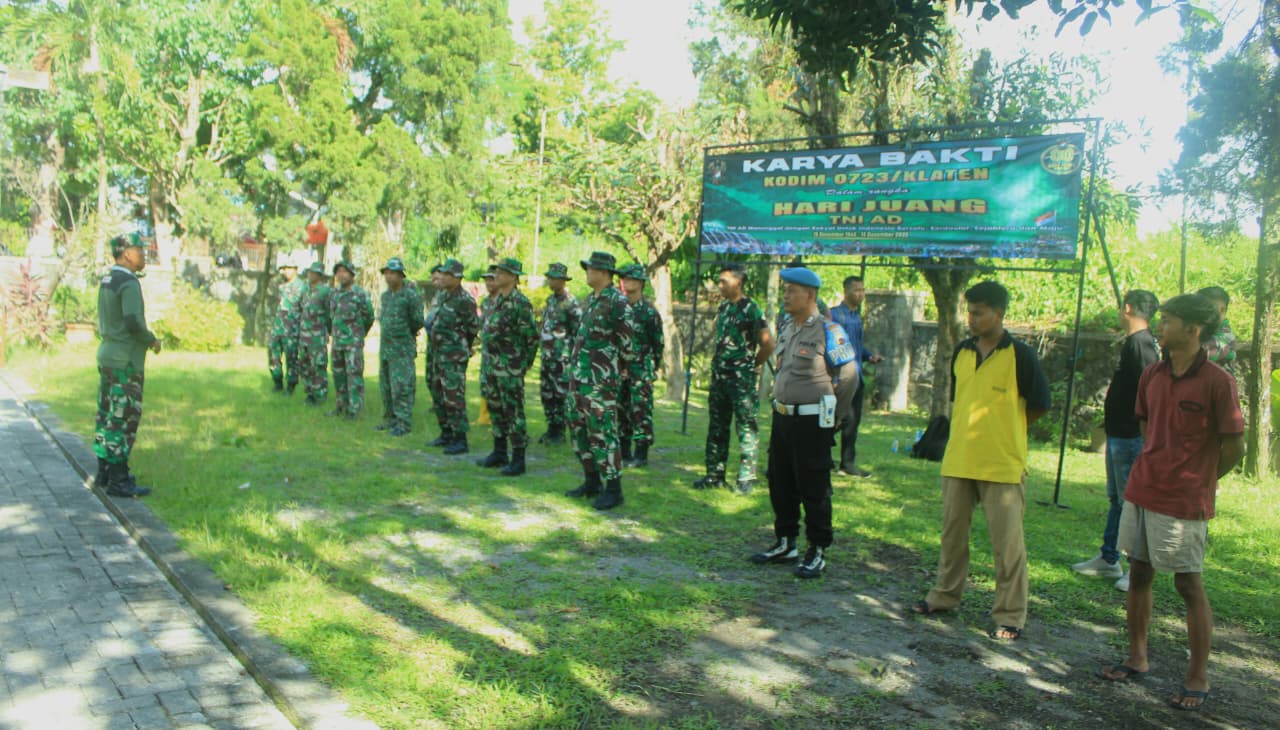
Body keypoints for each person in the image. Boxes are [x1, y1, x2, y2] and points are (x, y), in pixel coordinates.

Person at [1098, 294, 1244, 713]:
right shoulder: (1153, 375)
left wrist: (1200, 480)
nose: (1159, 327)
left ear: (1192, 331)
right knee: (1139, 572)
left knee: (1187, 583)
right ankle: (1137, 657)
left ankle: (1198, 676)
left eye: (1167, 321)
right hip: (1143, 490)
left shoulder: (1219, 382)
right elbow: (1146, 424)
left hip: (1184, 499)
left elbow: (1235, 446)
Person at [911, 281, 1051, 642]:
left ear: (999, 314)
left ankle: (1010, 615)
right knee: (952, 536)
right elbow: (962, 402)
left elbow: (1038, 406)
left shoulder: (1021, 355)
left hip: (1002, 464)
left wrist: (1004, 431)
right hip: (959, 460)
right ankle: (944, 596)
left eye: (978, 313)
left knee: (1008, 545)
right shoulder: (961, 352)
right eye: (968, 311)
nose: (970, 319)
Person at [750, 267, 858, 578]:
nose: (785, 295)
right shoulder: (787, 327)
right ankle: (786, 542)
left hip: (812, 421)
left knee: (813, 485)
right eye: (784, 289)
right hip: (783, 417)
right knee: (779, 480)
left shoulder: (829, 330)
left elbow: (849, 376)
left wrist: (835, 417)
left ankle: (817, 548)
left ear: (809, 295)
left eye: (791, 290)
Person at [1072, 290, 1160, 591]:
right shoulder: (1135, 343)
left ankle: (1136, 568)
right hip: (1119, 433)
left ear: (1127, 308)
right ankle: (1109, 558)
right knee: (1117, 499)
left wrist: (1143, 429)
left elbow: (1152, 389)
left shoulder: (1142, 344)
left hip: (1131, 435)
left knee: (1130, 501)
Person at [694, 263, 774, 494]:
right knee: (717, 427)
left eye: (724, 281)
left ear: (738, 283)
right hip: (720, 377)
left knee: (746, 426)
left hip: (741, 381)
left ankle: (746, 478)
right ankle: (714, 475)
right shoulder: (724, 308)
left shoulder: (751, 309)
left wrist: (751, 366)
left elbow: (768, 343)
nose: (719, 285)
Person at [564, 251, 635, 510]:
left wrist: (617, 370)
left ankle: (614, 489)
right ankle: (591, 480)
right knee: (579, 428)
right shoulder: (590, 300)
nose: (587, 272)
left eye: (591, 268)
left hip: (600, 381)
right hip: (580, 379)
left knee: (603, 432)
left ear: (604, 272)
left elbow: (628, 343)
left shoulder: (617, 302)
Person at [93, 234, 162, 498]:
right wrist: (152, 340)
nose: (143, 255)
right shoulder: (129, 283)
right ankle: (119, 480)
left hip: (107, 355)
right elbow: (133, 322)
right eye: (139, 250)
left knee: (106, 413)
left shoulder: (108, 279)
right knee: (123, 419)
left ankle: (104, 471)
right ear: (126, 254)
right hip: (125, 360)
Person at [476, 258, 538, 476]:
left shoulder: (520, 303)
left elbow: (531, 338)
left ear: (513, 276)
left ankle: (518, 458)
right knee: (496, 409)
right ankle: (499, 451)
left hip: (509, 368)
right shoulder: (493, 301)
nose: (497, 276)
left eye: (502, 273)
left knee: (513, 412)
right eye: (496, 272)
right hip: (491, 367)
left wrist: (523, 365)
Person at [828, 275, 883, 477]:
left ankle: (847, 463)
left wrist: (870, 356)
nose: (860, 294)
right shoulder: (834, 316)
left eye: (862, 290)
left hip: (857, 376)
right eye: (856, 290)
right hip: (839, 379)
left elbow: (856, 347)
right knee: (834, 419)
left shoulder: (856, 317)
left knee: (852, 421)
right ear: (846, 291)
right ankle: (822, 457)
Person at [427, 258, 480, 454]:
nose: (442, 277)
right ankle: (446, 433)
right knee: (438, 393)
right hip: (438, 354)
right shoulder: (442, 296)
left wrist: (462, 346)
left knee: (453, 397)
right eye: (442, 273)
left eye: (447, 274)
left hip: (454, 357)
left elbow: (472, 327)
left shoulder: (465, 300)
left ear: (457, 278)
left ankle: (460, 439)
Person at [618, 263, 664, 468]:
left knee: (640, 410)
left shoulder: (648, 312)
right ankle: (624, 450)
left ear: (640, 283)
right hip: (620, 367)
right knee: (621, 409)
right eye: (624, 279)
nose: (626, 282)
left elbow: (658, 343)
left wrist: (654, 367)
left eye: (630, 279)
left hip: (641, 367)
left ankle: (641, 453)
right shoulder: (619, 307)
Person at [377, 257, 424, 436]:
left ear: (401, 275)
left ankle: (403, 422)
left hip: (402, 349)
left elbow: (418, 320)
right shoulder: (385, 296)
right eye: (387, 273)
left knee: (402, 386)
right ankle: (390, 419)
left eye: (392, 273)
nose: (389, 277)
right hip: (386, 349)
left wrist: (405, 333)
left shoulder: (410, 295)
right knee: (386, 386)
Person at [537, 262, 582, 445]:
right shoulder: (551, 300)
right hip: (548, 357)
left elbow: (578, 332)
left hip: (562, 359)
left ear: (563, 280)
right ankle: (551, 429)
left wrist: (573, 357)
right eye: (549, 277)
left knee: (561, 395)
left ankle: (560, 432)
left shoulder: (571, 303)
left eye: (554, 278)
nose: (550, 281)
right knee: (547, 394)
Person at [329, 261, 375, 420]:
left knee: (353, 375)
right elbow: (332, 315)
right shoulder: (335, 294)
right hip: (337, 342)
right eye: (339, 272)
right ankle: (341, 406)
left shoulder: (360, 294)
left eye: (345, 272)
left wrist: (359, 334)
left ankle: (355, 409)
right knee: (338, 375)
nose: (341, 275)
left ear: (352, 274)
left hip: (353, 343)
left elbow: (369, 316)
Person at [296, 262, 333, 408]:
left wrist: (328, 331)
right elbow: (300, 308)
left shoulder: (325, 291)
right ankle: (310, 393)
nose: (310, 275)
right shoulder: (305, 289)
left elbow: (330, 312)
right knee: (304, 366)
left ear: (319, 275)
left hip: (317, 336)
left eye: (314, 273)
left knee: (318, 366)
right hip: (304, 335)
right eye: (309, 272)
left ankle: (320, 395)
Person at [267, 261, 306, 394]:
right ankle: (277, 382)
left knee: (292, 358)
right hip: (278, 327)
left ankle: (291, 386)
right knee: (273, 355)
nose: (286, 271)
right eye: (284, 269)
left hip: (292, 329)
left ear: (295, 269)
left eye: (289, 268)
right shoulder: (280, 286)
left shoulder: (302, 287)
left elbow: (305, 309)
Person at [1196, 286, 1237, 374]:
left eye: (1208, 308)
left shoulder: (1226, 336)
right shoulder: (1203, 328)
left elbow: (1203, 353)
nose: (1201, 312)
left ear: (1222, 310)